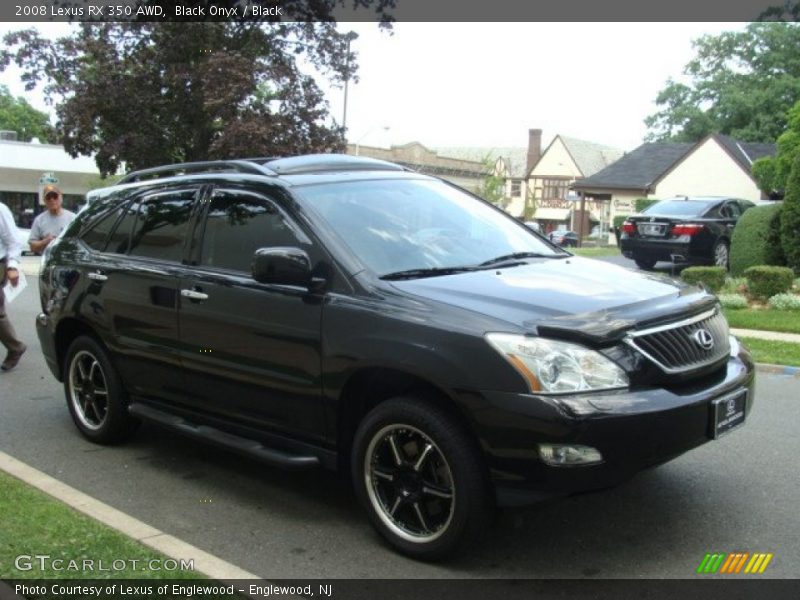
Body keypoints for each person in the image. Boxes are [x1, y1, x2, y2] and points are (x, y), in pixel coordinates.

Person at [0, 199, 26, 371]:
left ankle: (15, 347)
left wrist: (12, 266)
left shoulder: (0, 210)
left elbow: (14, 240)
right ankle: (15, 347)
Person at [28, 184, 76, 255]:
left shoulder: (73, 218)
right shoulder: (39, 220)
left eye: (55, 196)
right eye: (48, 197)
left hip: (69, 261)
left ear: (61, 198)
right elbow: (32, 247)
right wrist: (44, 242)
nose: (52, 200)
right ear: (44, 201)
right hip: (49, 262)